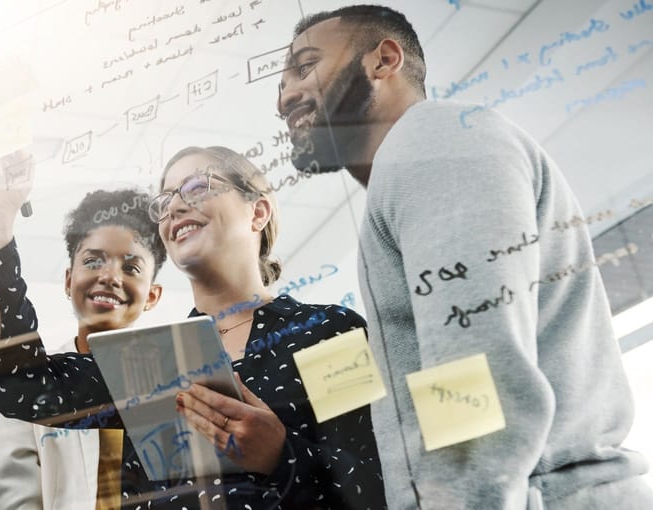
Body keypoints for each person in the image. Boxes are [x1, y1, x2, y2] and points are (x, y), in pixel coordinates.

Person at [277, 5, 653, 509]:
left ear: (383, 60)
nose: (285, 97)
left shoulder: (431, 144)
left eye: (304, 67)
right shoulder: (416, 163)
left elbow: (475, 381)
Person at [0, 148, 386, 509]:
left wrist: (282, 457)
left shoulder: (328, 332)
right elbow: (21, 386)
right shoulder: (149, 359)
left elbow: (377, 488)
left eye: (198, 187)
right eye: (165, 201)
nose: (173, 208)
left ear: (257, 211)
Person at [0, 185, 167, 510]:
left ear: (152, 295)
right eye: (93, 261)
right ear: (68, 280)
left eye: (131, 268)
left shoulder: (176, 377)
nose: (110, 276)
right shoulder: (25, 383)